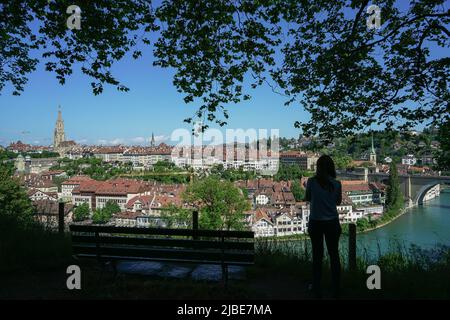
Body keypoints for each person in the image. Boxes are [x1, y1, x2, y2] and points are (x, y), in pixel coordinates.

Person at [305, 155, 342, 299]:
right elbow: (338, 202)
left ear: (318, 167)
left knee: (317, 256)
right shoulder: (337, 184)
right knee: (334, 256)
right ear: (331, 167)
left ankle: (316, 286)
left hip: (316, 222)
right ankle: (336, 287)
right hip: (332, 222)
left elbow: (307, 198)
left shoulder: (311, 182)